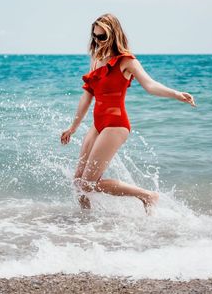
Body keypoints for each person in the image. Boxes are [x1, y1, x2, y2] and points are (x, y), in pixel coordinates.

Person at [61, 13, 196, 213]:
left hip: (115, 125)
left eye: (102, 37)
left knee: (89, 184)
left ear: (113, 34)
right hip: (97, 125)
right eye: (95, 36)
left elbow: (150, 85)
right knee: (78, 184)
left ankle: (148, 196)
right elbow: (87, 96)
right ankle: (85, 228)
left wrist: (176, 94)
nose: (98, 41)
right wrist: (73, 127)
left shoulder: (127, 61)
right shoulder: (96, 59)